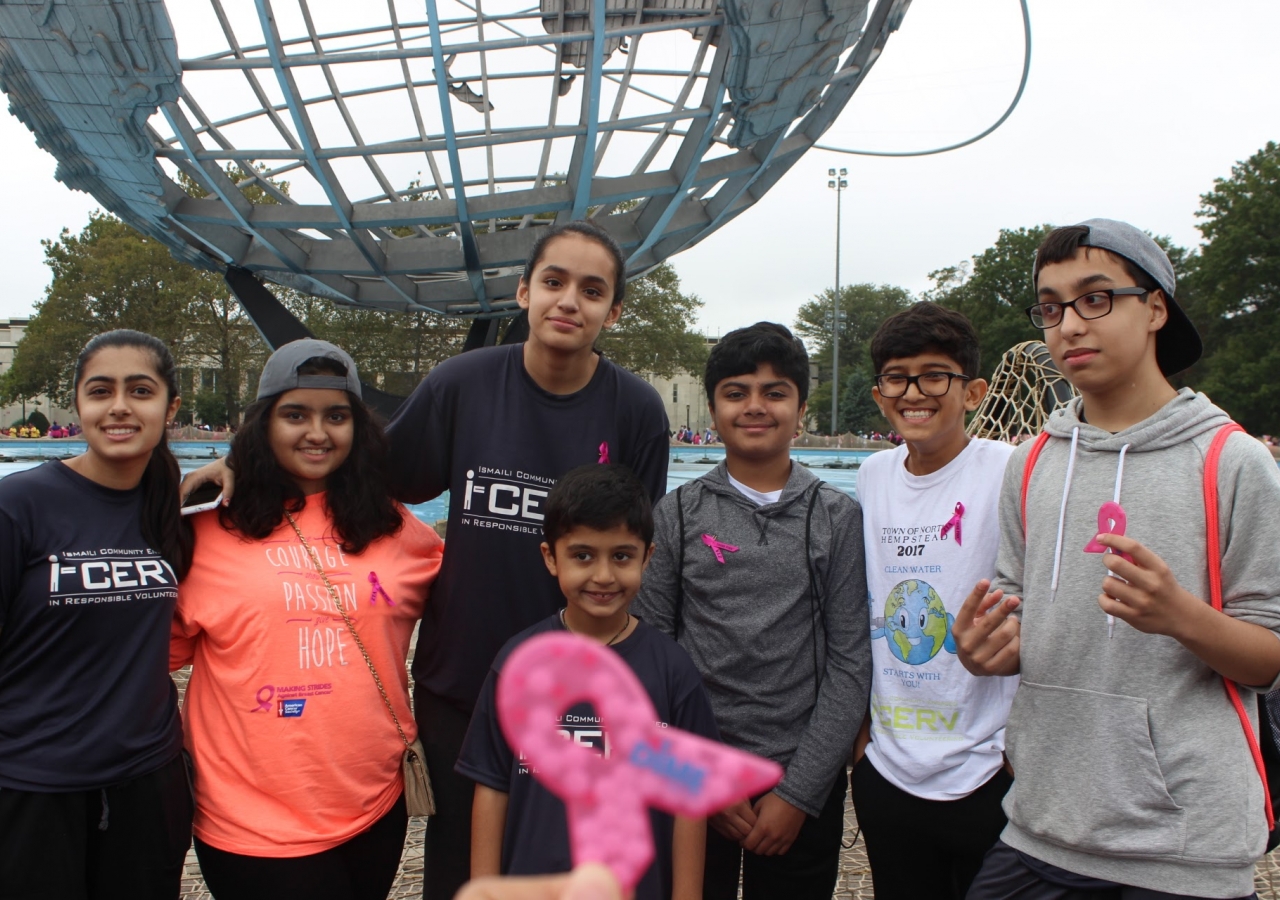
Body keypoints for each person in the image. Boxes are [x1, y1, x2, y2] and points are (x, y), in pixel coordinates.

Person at [181, 220, 669, 900]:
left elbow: (634, 558)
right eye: (554, 282)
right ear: (524, 290)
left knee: (568, 860)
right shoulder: (462, 384)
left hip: (576, 688)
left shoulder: (637, 410)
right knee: (462, 869)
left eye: (592, 290)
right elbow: (359, 464)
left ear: (614, 310)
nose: (569, 301)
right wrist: (240, 459)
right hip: (460, 687)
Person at [956, 219, 1280, 900]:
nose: (1069, 324)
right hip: (1040, 823)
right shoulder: (1033, 462)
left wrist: (1182, 617)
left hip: (1183, 849)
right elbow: (1022, 618)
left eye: (1095, 298)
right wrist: (988, 648)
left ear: (1155, 307)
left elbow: (1268, 659)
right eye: (1051, 307)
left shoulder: (1232, 463)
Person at [171, 340, 443, 900]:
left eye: (336, 416)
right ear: (263, 424)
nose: (317, 432)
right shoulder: (201, 529)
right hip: (250, 823)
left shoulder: (402, 533)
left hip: (374, 806)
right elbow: (140, 653)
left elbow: (478, 608)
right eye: (295, 414)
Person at [634, 322, 870, 900]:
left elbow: (849, 664)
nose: (755, 407)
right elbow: (649, 660)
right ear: (713, 409)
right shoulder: (676, 515)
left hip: (798, 780)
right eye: (736, 393)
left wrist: (800, 792)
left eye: (774, 392)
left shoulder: (835, 517)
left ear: (801, 407)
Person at [458, 464, 717, 900]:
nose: (603, 576)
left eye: (621, 556)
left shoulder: (672, 670)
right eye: (583, 555)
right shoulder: (517, 664)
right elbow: (492, 785)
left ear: (647, 558)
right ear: (549, 557)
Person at [0, 330, 193, 899]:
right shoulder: (21, 504)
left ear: (170, 406)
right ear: (79, 401)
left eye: (140, 390)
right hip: (32, 785)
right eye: (101, 390)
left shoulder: (171, 510)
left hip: (146, 782)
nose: (119, 407)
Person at [850, 302, 1017, 900]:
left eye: (934, 375)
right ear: (879, 393)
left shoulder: (1011, 472)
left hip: (987, 769)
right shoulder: (871, 476)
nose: (914, 392)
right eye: (897, 377)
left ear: (973, 391)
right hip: (890, 768)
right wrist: (863, 742)